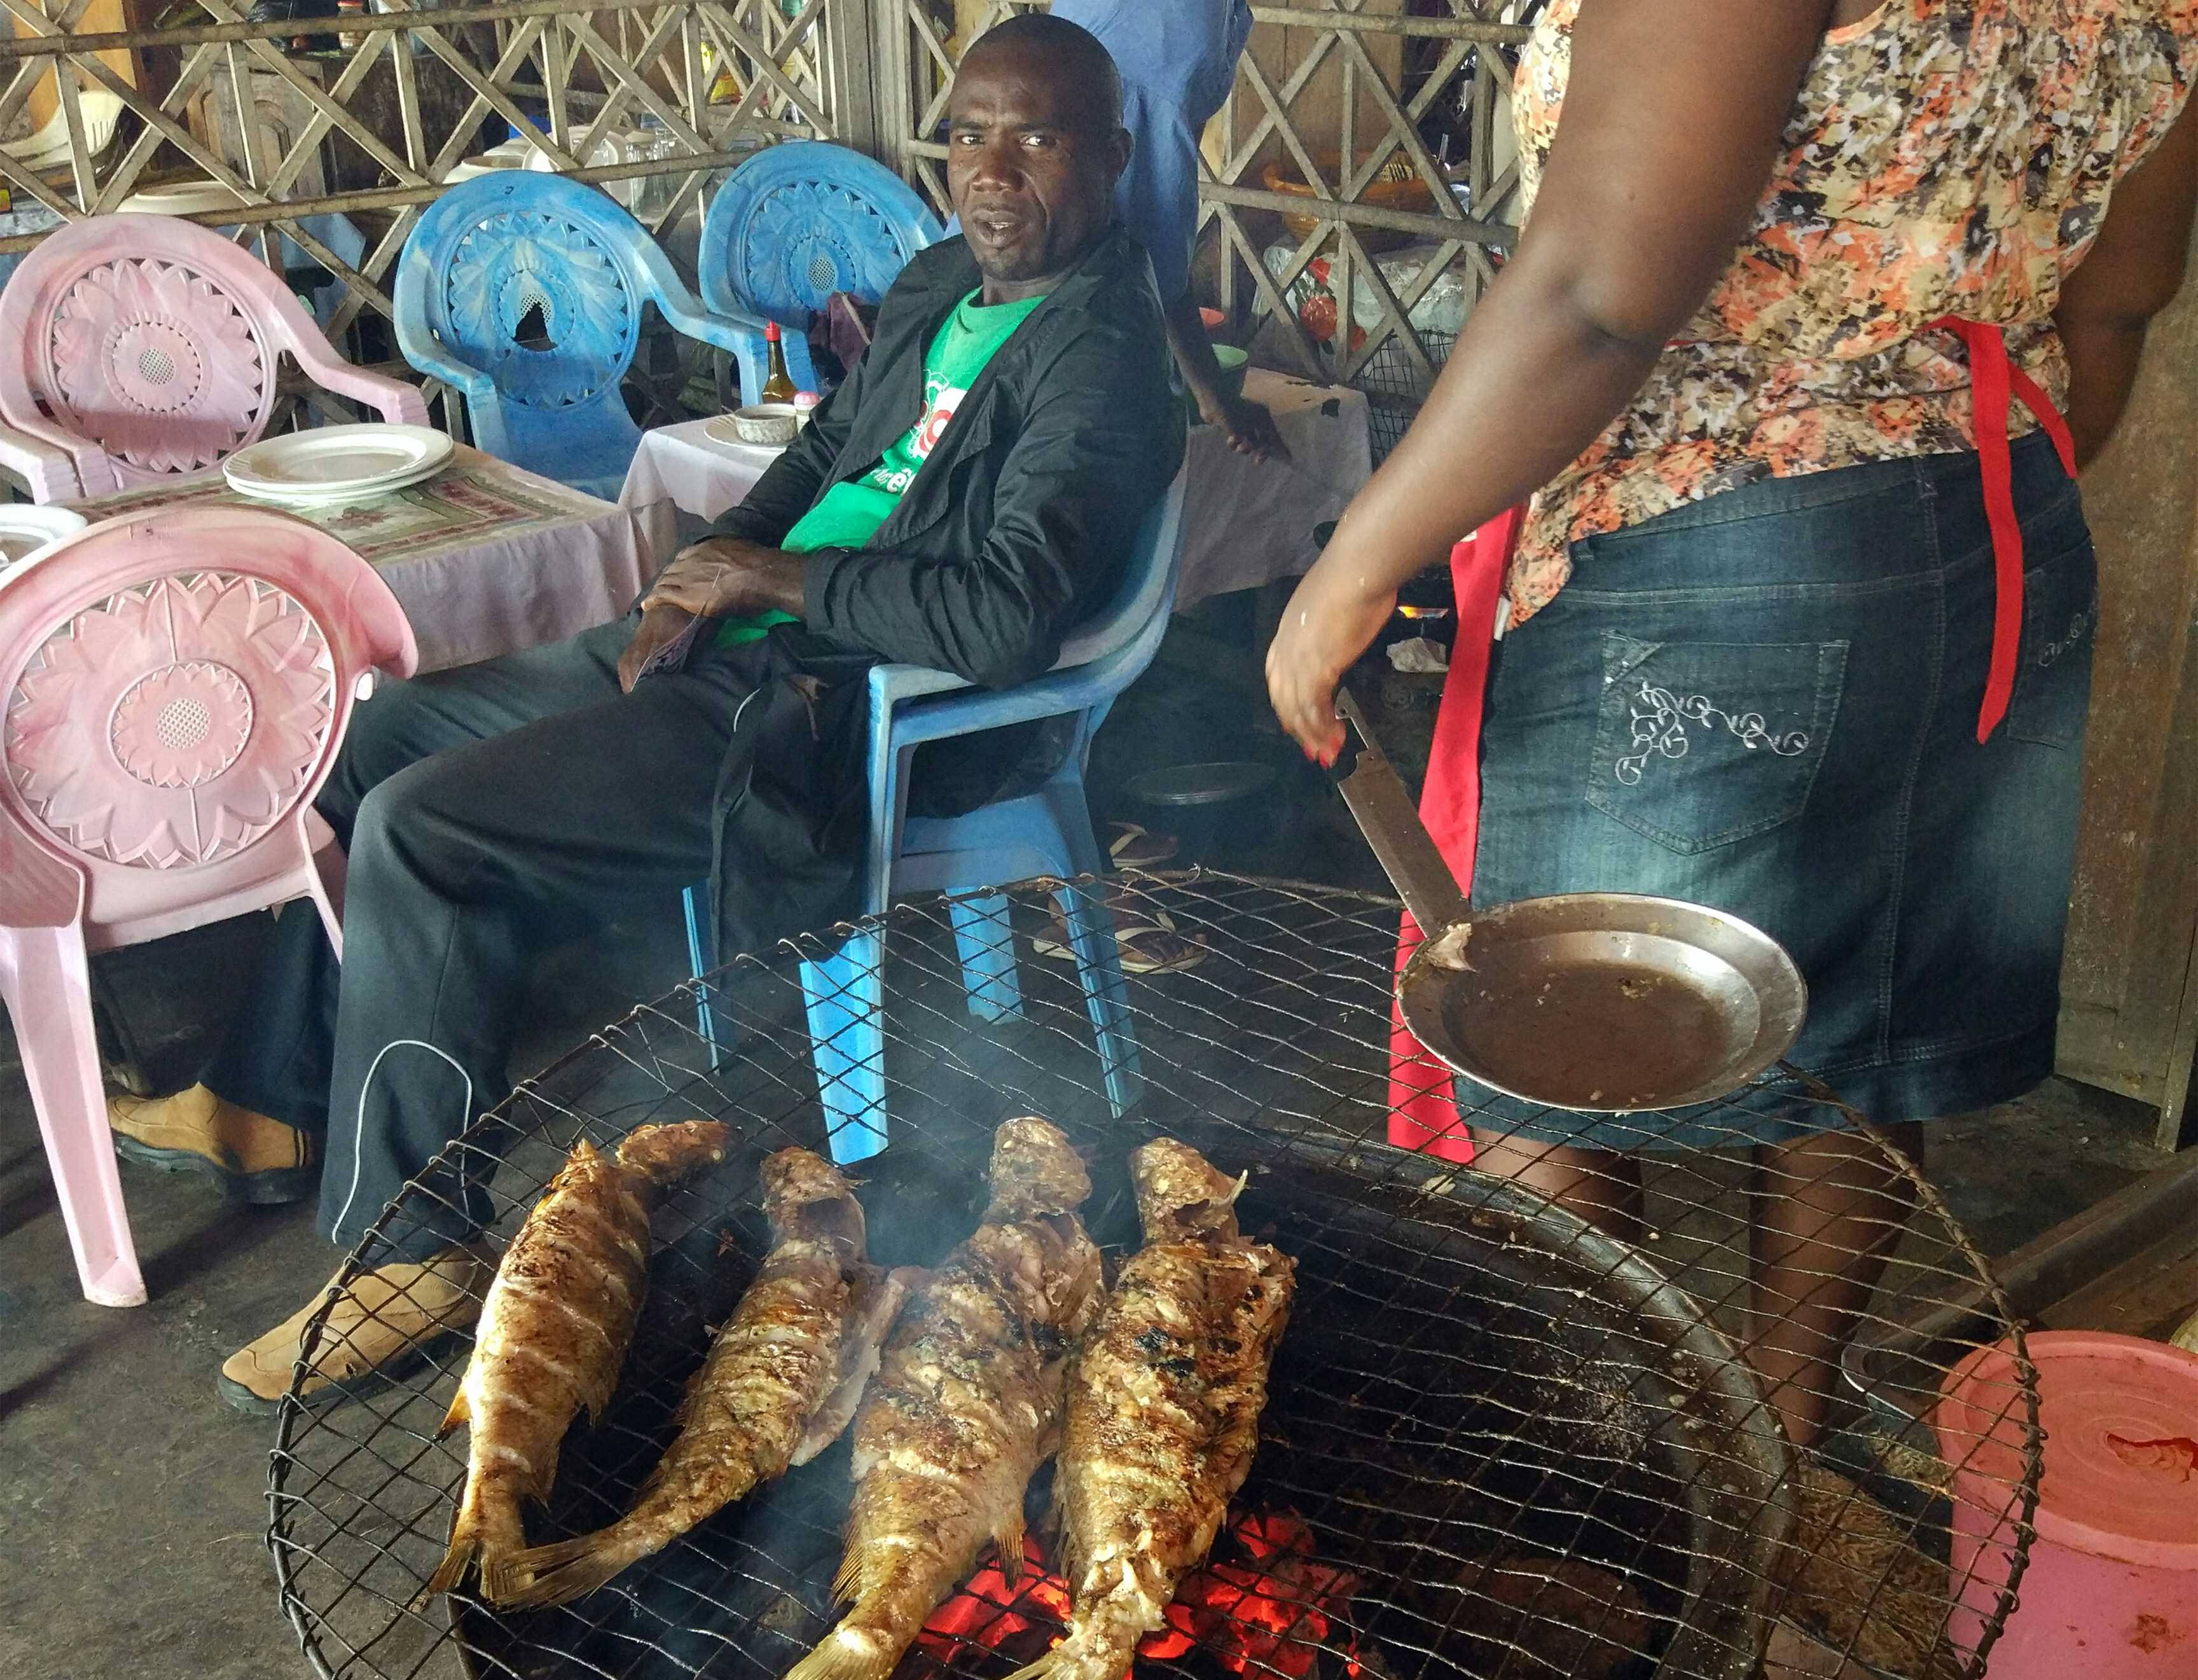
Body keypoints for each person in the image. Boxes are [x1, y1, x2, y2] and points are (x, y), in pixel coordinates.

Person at [109, 13, 1186, 1413]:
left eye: (1035, 137)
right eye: (969, 132)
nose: (991, 168)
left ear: (1110, 152)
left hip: (837, 710)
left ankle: (414, 1245)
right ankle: (272, 1099)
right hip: (747, 641)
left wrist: (770, 580)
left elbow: (1001, 618)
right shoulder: (943, 279)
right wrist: (702, 575)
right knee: (368, 738)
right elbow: (817, 452)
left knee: (429, 833)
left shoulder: (1100, 356)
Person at [1264, 0, 2198, 1445]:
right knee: (1867, 1034)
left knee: (1539, 1042)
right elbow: (2116, 301)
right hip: (1999, 522)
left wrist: (1353, 561)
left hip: (1710, 548)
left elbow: (1596, 289)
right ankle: (1776, 1444)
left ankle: (1625, 1478)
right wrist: (1940, 476)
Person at [1044, 0, 1287, 462]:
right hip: (1052, 328)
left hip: (1068, 316)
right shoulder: (1167, 19)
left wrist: (1209, 387)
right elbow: (1147, 240)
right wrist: (1210, 386)